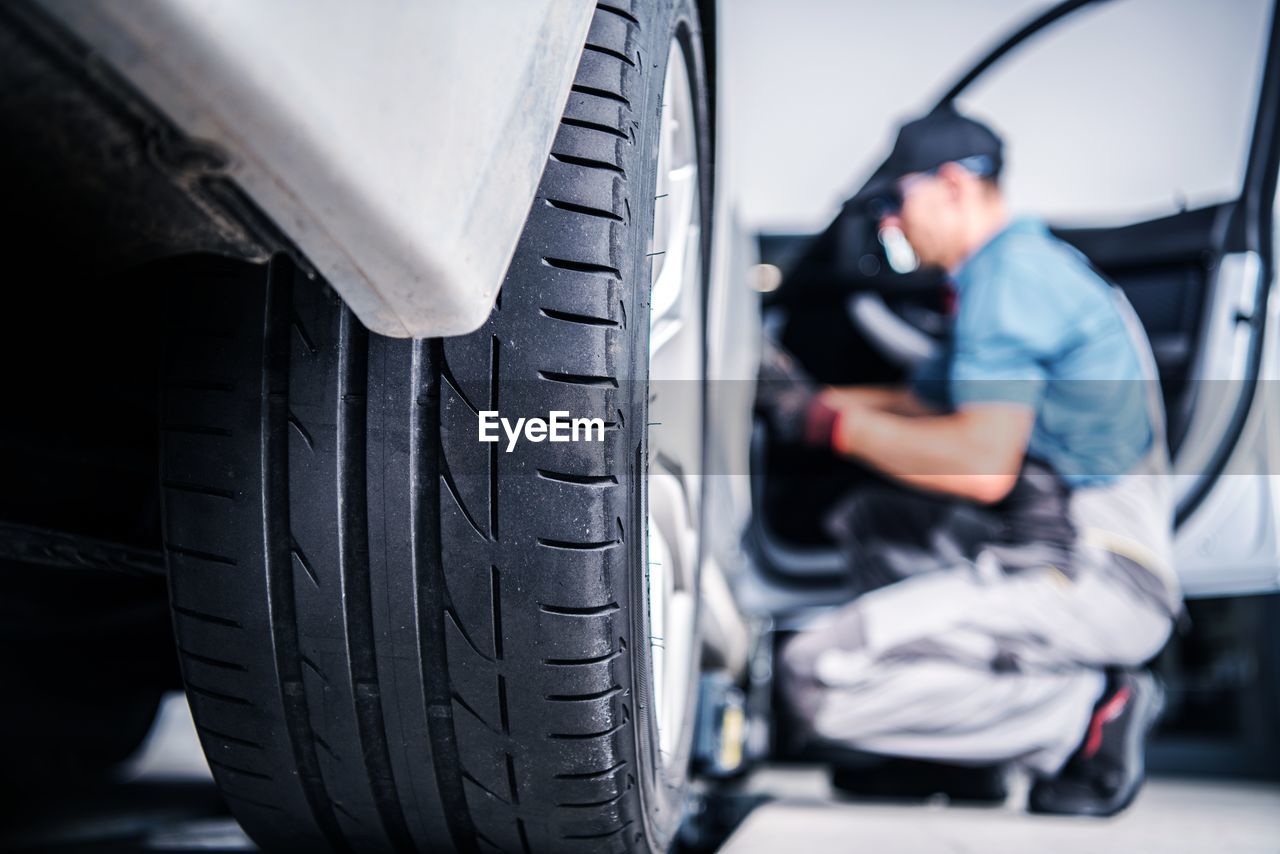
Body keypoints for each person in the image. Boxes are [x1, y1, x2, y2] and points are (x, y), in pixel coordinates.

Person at [757, 105, 1182, 817]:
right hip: (1041, 545)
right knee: (878, 518)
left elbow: (979, 464)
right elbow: (918, 406)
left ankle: (1084, 718)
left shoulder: (1011, 279)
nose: (890, 223)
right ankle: (949, 759)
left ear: (952, 185)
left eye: (897, 200)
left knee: (813, 676)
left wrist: (825, 423)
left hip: (1094, 574)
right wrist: (787, 390)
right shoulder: (1010, 270)